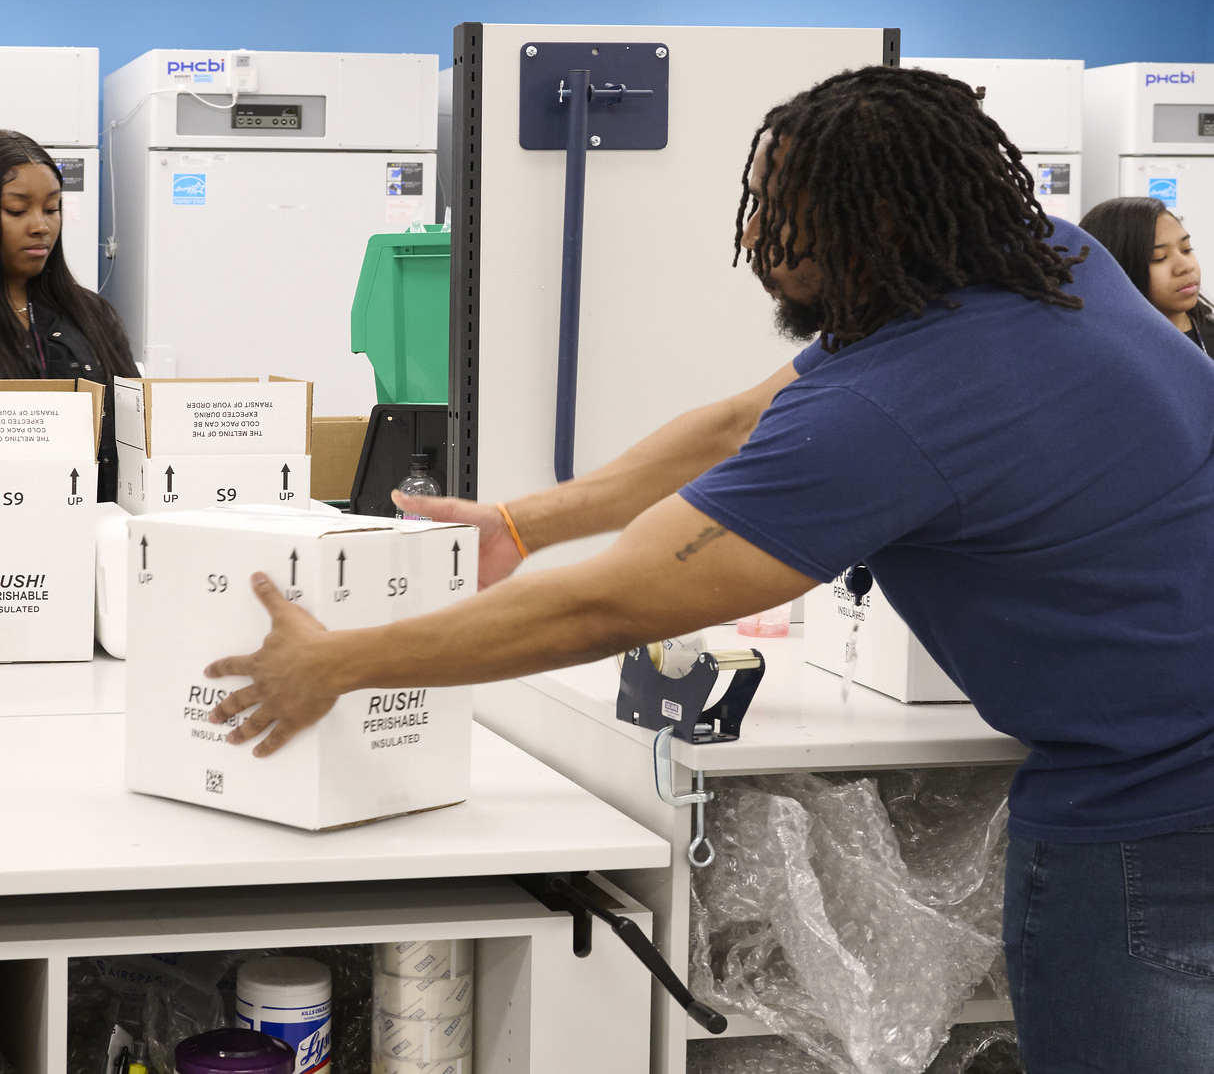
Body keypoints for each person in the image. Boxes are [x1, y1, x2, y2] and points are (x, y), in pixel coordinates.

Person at [207, 65, 1214, 1074]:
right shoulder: (1043, 256)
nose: (751, 243)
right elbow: (742, 421)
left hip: (1153, 813)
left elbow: (608, 603)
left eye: (781, 222)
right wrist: (522, 521)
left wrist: (338, 662)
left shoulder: (893, 404)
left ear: (878, 227)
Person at [0, 129, 137, 501]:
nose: (41, 226)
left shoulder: (91, 313)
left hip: (94, 529)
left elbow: (136, 430)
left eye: (51, 208)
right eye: (16, 209)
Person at [1080, 194, 1214, 355]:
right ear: (1117, 269)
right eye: (1159, 258)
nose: (1186, 266)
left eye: (1186, 249)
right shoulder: (1101, 355)